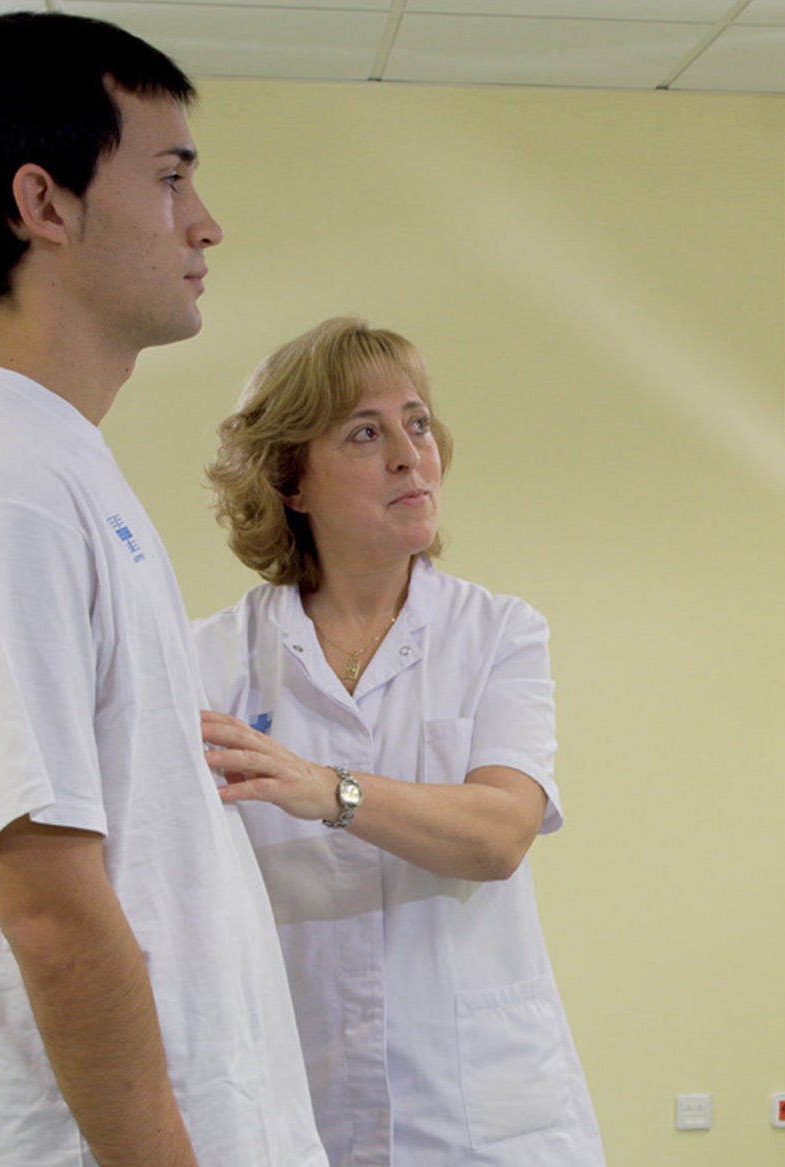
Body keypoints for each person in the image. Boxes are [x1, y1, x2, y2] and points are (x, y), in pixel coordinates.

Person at [0, 12, 327, 1166]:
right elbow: (50, 911)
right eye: (169, 178)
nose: (204, 222)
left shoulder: (61, 463)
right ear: (45, 204)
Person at [194, 316, 605, 1166]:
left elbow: (500, 833)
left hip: (477, 1117)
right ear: (291, 481)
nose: (408, 454)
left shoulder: (498, 634)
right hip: (297, 1102)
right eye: (364, 433)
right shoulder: (213, 661)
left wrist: (330, 790)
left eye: (417, 423)